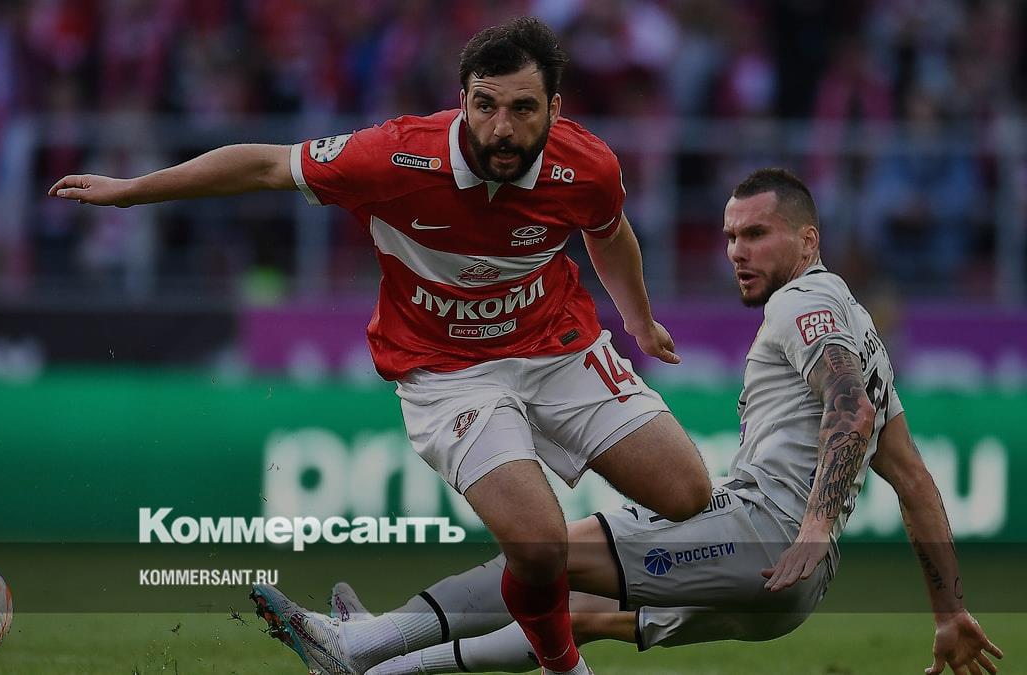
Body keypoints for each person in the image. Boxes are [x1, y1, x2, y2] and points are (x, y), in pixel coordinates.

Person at [49, 17, 712, 675]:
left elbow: (608, 231)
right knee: (538, 548)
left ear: (555, 110)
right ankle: (562, 667)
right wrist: (134, 191)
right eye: (485, 106)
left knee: (686, 495)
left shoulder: (588, 165)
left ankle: (370, 640)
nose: (501, 128)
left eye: (522, 109)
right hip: (447, 372)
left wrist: (639, 319)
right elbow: (266, 164)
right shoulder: (395, 156)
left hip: (560, 348)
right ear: (462, 99)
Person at [268, 168, 1003, 675]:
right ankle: (384, 664)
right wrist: (949, 612)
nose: (737, 252)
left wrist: (808, 530)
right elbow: (912, 479)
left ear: (808, 242)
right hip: (794, 595)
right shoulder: (860, 327)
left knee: (542, 552)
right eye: (730, 236)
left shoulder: (800, 303)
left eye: (757, 234)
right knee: (580, 612)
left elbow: (850, 408)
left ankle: (360, 644)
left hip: (762, 538)